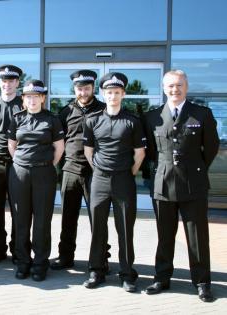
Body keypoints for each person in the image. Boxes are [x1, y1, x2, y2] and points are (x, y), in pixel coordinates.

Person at [143, 70, 219, 302]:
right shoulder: (152, 116)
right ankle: (162, 277)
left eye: (179, 85)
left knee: (197, 236)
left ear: (186, 86)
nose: (174, 90)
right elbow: (151, 153)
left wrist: (194, 169)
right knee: (164, 235)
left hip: (193, 183)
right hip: (163, 182)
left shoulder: (202, 113)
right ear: (164, 88)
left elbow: (211, 147)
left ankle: (202, 281)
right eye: (170, 86)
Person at [82, 72, 146, 293]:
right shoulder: (92, 120)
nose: (113, 96)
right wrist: (99, 170)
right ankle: (96, 271)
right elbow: (88, 151)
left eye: (117, 92)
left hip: (123, 180)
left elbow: (139, 154)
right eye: (109, 92)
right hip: (99, 179)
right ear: (103, 93)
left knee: (125, 229)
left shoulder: (132, 121)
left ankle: (127, 274)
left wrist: (127, 173)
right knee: (97, 228)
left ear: (123, 94)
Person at [51, 70, 109, 270]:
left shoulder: (104, 109)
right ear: (74, 89)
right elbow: (58, 141)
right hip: (70, 170)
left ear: (93, 88)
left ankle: (101, 259)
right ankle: (65, 256)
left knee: (98, 218)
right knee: (68, 217)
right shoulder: (65, 111)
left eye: (86, 88)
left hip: (96, 172)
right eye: (79, 88)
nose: (83, 92)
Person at [8, 80, 64, 281]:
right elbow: (12, 145)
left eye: (36, 96)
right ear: (23, 99)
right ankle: (23, 262)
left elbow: (59, 148)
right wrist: (22, 163)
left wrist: (45, 164)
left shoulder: (52, 119)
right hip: (20, 173)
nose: (32, 100)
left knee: (41, 221)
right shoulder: (17, 118)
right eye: (28, 96)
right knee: (21, 220)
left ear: (43, 98)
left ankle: (40, 263)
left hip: (44, 174)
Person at [0, 64, 24, 264]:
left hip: (18, 165)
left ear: (17, 82)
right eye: (4, 80)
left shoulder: (24, 105)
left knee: (18, 209)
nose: (7, 84)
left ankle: (18, 249)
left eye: (11, 80)